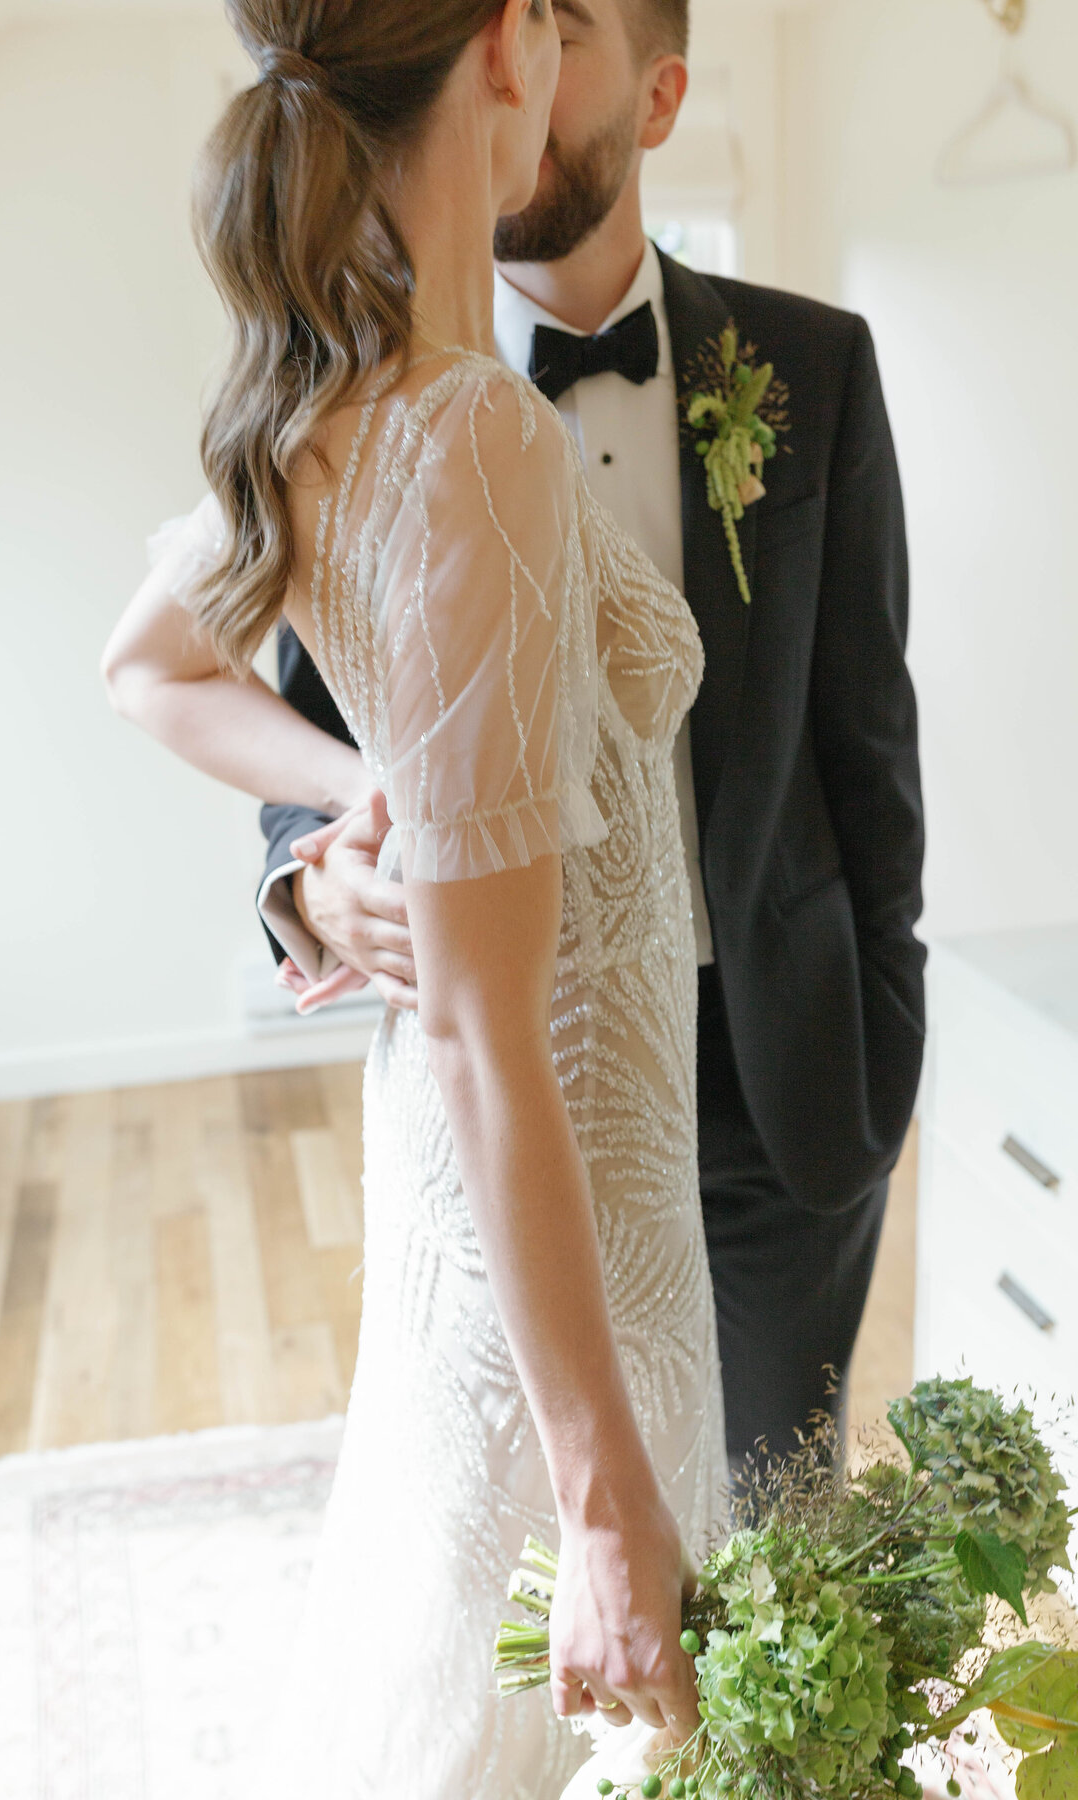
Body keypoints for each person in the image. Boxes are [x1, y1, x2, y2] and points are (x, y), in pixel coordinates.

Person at [101, 0, 727, 1792]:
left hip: (522, 1191)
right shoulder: (473, 436)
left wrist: (360, 782)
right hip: (567, 1199)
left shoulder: (329, 398)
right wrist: (606, 1501)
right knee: (526, 1691)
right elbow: (473, 1022)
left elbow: (144, 667)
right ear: (513, 50)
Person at [259, 0, 926, 1476]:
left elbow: (872, 749)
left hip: (783, 1077)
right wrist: (309, 889)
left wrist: (881, 1049)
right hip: (511, 1078)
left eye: (562, 33)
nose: (521, 73)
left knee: (768, 1536)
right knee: (545, 1550)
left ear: (660, 95)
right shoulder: (368, 396)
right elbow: (305, 732)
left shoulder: (813, 369)